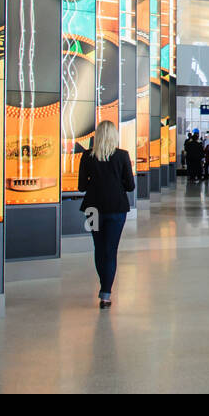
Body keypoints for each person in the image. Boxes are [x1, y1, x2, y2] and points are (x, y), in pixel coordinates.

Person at [78, 120, 134, 309]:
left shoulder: (87, 156)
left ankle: (104, 286)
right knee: (111, 250)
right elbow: (130, 185)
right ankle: (106, 293)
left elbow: (81, 187)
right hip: (117, 209)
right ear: (114, 136)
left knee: (99, 248)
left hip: (93, 209)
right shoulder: (122, 156)